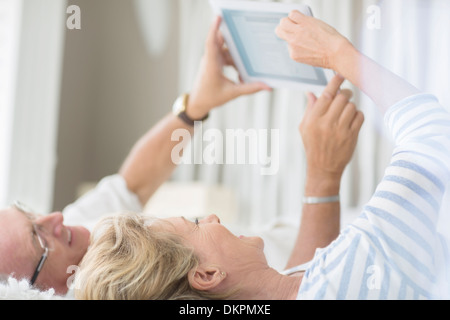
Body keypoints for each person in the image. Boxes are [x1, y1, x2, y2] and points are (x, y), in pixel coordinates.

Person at [74, 11, 450, 300]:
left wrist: (324, 174)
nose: (213, 216)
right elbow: (433, 136)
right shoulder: (342, 277)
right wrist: (341, 54)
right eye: (196, 222)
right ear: (207, 275)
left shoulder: (300, 282)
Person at [0, 17, 271, 296]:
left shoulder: (77, 227)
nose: (55, 218)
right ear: (36, 292)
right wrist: (318, 190)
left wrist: (196, 105)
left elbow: (132, 183)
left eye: (31, 215)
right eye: (38, 239)